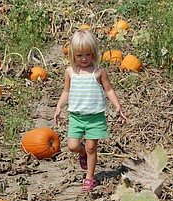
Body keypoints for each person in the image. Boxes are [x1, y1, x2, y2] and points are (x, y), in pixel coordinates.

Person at [54, 29, 127, 191]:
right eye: (80, 55)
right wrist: (59, 106)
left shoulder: (99, 72)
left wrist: (118, 106)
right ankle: (82, 154)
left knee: (91, 147)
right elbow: (66, 92)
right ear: (73, 55)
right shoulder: (70, 72)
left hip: (95, 117)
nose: (84, 59)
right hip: (76, 117)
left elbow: (109, 90)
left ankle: (90, 177)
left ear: (93, 53)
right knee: (73, 146)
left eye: (87, 54)